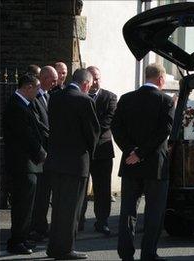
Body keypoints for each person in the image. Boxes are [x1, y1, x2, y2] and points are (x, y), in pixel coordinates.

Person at [112, 63, 175, 261]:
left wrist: (131, 151)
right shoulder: (165, 101)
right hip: (154, 164)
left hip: (130, 163)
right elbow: (163, 131)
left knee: (128, 211)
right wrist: (141, 152)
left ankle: (125, 253)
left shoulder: (126, 98)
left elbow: (116, 128)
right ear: (161, 79)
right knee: (154, 211)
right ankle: (148, 253)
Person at [45, 68, 100, 260]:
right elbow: (93, 133)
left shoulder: (55, 98)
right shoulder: (84, 100)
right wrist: (90, 155)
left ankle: (54, 247)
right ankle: (66, 249)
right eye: (91, 85)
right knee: (72, 210)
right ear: (86, 83)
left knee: (59, 207)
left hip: (56, 161)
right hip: (76, 163)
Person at [3, 73, 46, 255]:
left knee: (28, 204)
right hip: (22, 164)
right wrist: (42, 153)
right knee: (22, 204)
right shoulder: (16, 105)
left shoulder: (23, 104)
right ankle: (17, 241)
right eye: (36, 88)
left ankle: (23, 237)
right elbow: (25, 135)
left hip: (29, 164)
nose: (38, 92)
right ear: (28, 87)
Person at [79, 66, 117, 235]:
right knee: (81, 187)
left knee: (103, 189)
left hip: (102, 150)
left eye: (98, 78)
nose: (96, 81)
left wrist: (90, 135)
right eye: (92, 78)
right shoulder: (79, 97)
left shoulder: (110, 97)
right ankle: (78, 221)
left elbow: (107, 121)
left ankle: (102, 221)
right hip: (83, 150)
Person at [30, 66, 58, 242]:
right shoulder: (34, 97)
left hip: (50, 153)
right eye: (52, 79)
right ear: (43, 77)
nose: (55, 83)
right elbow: (38, 125)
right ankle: (34, 228)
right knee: (38, 194)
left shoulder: (49, 96)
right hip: (39, 153)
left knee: (45, 194)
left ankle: (41, 226)